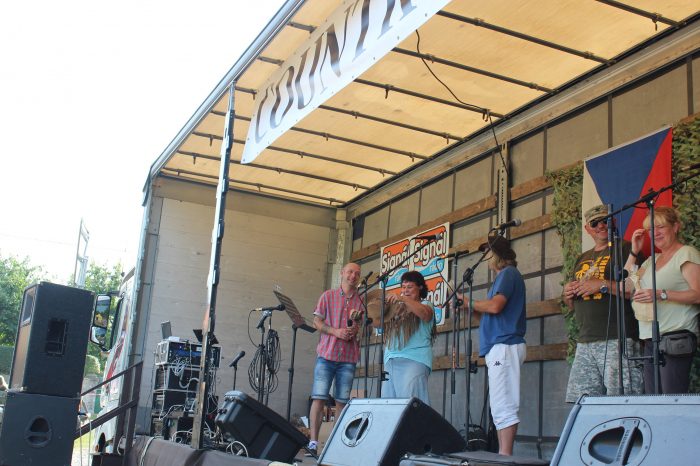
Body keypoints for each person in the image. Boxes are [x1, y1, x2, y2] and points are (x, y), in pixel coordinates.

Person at [563, 204, 644, 403]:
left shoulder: (626, 248)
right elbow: (573, 306)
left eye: (605, 220)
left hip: (618, 337)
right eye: (595, 223)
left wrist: (602, 285)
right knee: (583, 402)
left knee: (623, 401)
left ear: (613, 221)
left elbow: (635, 290)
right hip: (585, 340)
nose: (601, 225)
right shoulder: (582, 258)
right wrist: (568, 295)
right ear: (587, 228)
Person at [459, 234, 526, 456]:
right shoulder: (501, 279)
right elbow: (489, 317)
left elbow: (495, 307)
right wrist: (469, 308)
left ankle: (505, 456)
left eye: (487, 251)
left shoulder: (508, 274)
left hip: (504, 345)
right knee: (499, 407)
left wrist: (469, 301)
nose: (485, 256)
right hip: (499, 346)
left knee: (504, 406)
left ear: (497, 254)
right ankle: (503, 455)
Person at [626, 206, 700, 394]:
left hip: (675, 337)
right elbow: (625, 287)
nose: (655, 233)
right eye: (650, 229)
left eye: (660, 227)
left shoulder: (686, 253)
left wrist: (661, 294)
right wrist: (634, 251)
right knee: (654, 400)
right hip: (650, 338)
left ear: (675, 227)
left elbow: (698, 294)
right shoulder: (652, 260)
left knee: (671, 399)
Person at [306, 262, 363, 457]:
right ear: (342, 273)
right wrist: (335, 331)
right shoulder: (328, 296)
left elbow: (363, 328)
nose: (353, 276)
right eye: (350, 272)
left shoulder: (361, 301)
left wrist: (355, 330)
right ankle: (313, 443)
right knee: (319, 398)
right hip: (327, 355)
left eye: (357, 273)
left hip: (348, 357)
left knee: (342, 402)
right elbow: (316, 321)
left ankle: (334, 445)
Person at [381, 271, 436, 406]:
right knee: (388, 405)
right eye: (403, 287)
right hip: (391, 360)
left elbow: (425, 315)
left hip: (415, 359)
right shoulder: (396, 309)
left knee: (411, 404)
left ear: (420, 287)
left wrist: (403, 298)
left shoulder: (426, 304)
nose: (405, 290)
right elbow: (377, 323)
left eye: (410, 287)